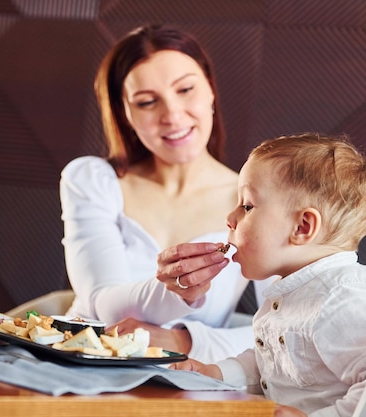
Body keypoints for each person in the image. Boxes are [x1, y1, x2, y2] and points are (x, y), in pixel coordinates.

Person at [59, 24, 274, 363]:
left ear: (210, 90)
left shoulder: (258, 200)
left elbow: (289, 330)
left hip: (187, 391)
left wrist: (182, 340)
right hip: (77, 369)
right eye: (147, 102)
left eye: (185, 89)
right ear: (125, 113)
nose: (172, 116)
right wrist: (177, 292)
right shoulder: (93, 180)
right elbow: (103, 305)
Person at [170, 133, 366, 417]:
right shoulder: (291, 294)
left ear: (302, 227)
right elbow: (272, 365)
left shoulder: (346, 298)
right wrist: (215, 373)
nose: (229, 217)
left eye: (247, 206)